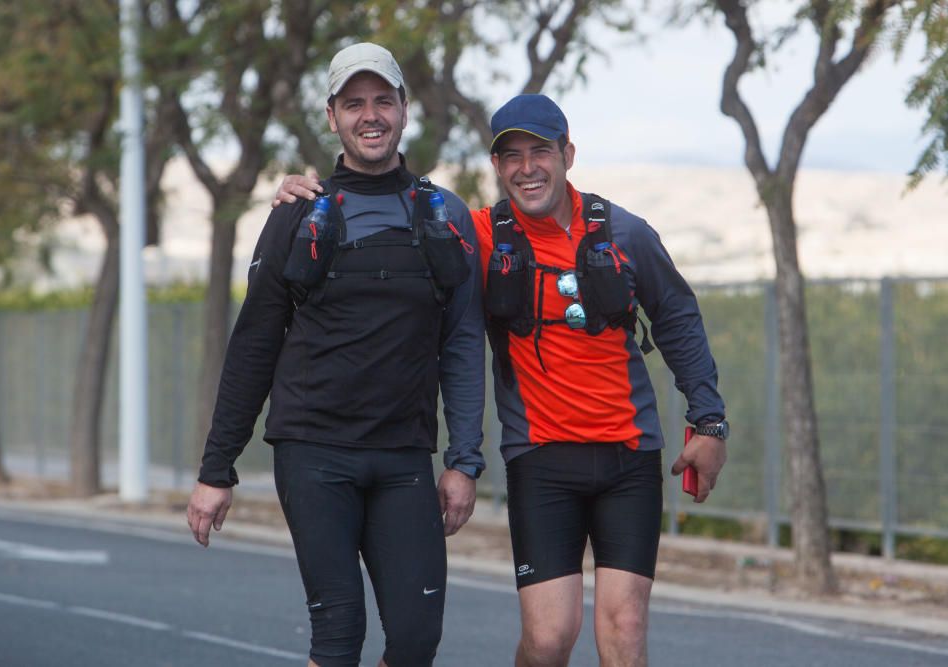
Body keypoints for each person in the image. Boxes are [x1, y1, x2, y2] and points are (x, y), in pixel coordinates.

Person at [274, 93, 728, 667]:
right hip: (540, 461)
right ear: (496, 166)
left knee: (625, 627)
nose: (527, 167)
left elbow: (679, 319)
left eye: (540, 151)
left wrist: (708, 421)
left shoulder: (625, 233)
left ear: (568, 154)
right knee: (548, 639)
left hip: (630, 457)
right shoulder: (478, 235)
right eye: (510, 155)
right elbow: (396, 216)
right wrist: (304, 195)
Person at [187, 42, 486, 667]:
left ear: (405, 110)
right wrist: (217, 470)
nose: (369, 115)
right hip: (314, 454)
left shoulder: (443, 214)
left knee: (414, 641)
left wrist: (464, 460)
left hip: (403, 456)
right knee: (339, 633)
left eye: (383, 101)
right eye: (354, 104)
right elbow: (254, 346)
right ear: (332, 117)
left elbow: (461, 342)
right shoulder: (298, 214)